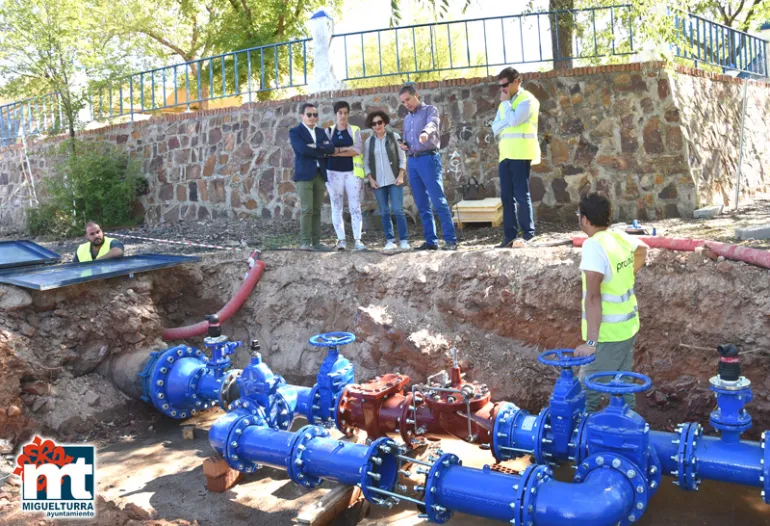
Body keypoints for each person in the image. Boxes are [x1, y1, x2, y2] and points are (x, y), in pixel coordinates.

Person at [574, 193, 649, 412]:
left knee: (585, 393)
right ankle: (630, 431)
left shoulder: (593, 246)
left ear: (586, 219)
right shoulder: (617, 237)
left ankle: (578, 440)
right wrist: (627, 274)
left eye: (579, 215)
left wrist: (590, 344)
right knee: (622, 386)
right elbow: (644, 250)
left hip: (609, 336)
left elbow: (593, 297)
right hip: (629, 328)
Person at [398, 85, 457, 251]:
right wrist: (404, 145)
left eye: (408, 99)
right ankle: (431, 241)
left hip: (429, 159)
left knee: (438, 201)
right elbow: (407, 140)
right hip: (413, 162)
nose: (406, 104)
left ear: (416, 95)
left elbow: (432, 124)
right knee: (422, 204)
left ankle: (451, 240)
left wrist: (425, 133)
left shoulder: (430, 110)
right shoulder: (407, 119)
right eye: (403, 102)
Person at [492, 67, 540, 248]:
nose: (502, 89)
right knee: (506, 197)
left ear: (516, 81)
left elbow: (513, 121)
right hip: (505, 155)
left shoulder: (527, 100)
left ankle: (528, 234)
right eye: (500, 86)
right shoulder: (505, 103)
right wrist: (506, 113)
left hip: (521, 153)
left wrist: (505, 106)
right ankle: (509, 236)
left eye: (505, 85)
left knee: (521, 195)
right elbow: (495, 128)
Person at [289, 102, 336, 251]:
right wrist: (321, 150)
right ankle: (305, 243)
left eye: (315, 115)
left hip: (320, 174)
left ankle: (316, 243)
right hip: (304, 175)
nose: (312, 117)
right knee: (307, 209)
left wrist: (315, 147)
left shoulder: (321, 132)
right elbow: (302, 150)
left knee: (317, 210)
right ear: (302, 116)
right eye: (309, 114)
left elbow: (331, 148)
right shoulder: (295, 132)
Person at [363, 110, 409, 250]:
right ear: (371, 126)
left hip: (394, 180)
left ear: (384, 122)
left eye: (379, 122)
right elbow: (366, 163)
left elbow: (402, 158)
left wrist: (401, 175)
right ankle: (390, 240)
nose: (377, 126)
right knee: (384, 212)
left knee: (398, 210)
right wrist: (370, 178)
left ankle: (404, 240)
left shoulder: (394, 137)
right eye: (374, 123)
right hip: (378, 183)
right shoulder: (368, 142)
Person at [326, 101, 366, 251]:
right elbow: (326, 151)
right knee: (336, 207)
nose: (343, 115)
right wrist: (345, 150)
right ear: (336, 114)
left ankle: (358, 240)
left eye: (345, 112)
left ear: (348, 114)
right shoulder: (328, 131)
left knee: (355, 207)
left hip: (352, 173)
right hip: (333, 174)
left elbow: (357, 150)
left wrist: (337, 150)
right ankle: (341, 240)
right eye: (340, 113)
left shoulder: (355, 130)